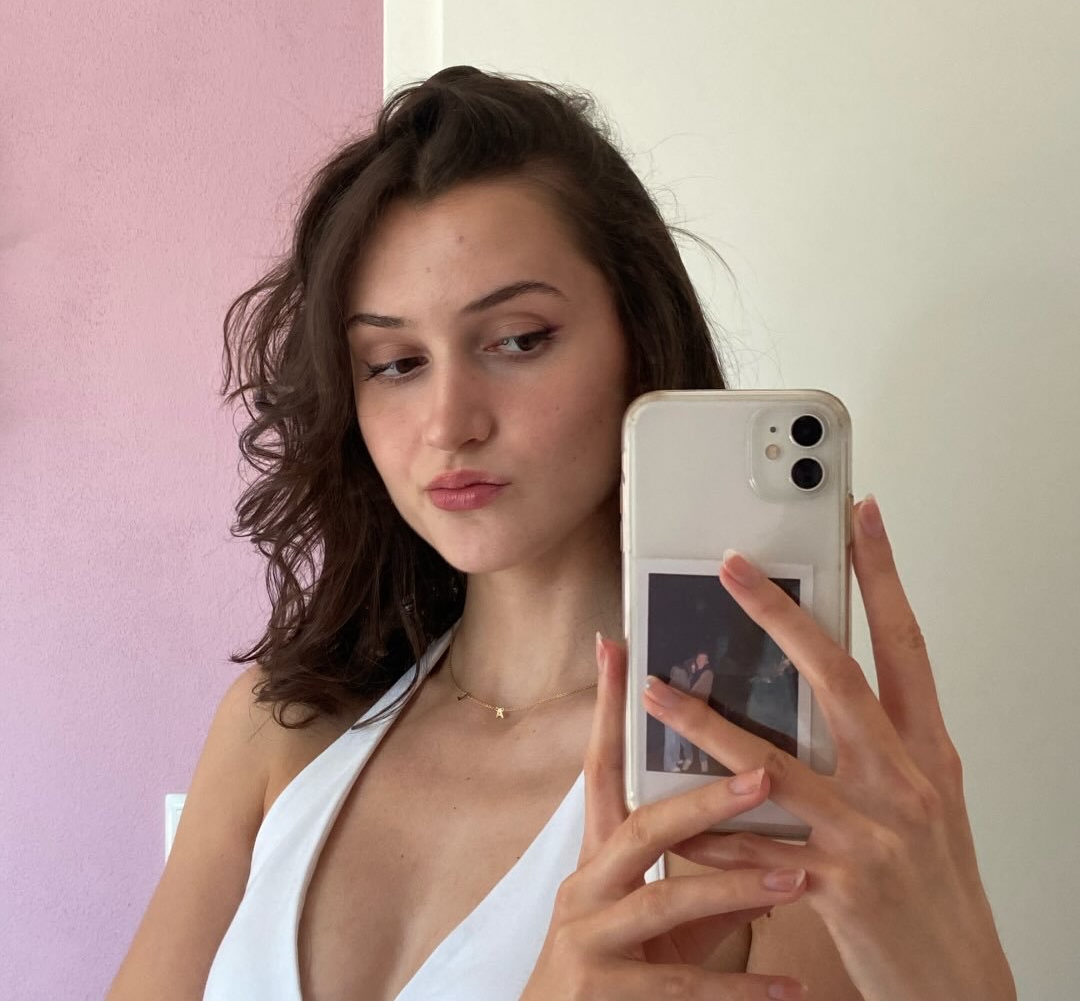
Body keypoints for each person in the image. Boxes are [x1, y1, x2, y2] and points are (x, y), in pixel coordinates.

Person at [107, 66, 1016, 1000]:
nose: (450, 423)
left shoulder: (744, 787)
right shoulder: (280, 730)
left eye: (519, 340)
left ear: (638, 341)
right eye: (396, 362)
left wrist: (950, 962)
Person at [662, 657, 695, 771]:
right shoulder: (681, 672)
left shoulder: (681, 673)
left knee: (675, 738)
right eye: (693, 666)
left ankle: (675, 759)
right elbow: (685, 689)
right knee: (671, 739)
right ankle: (669, 765)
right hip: (670, 710)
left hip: (675, 710)